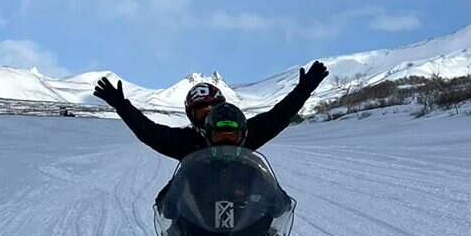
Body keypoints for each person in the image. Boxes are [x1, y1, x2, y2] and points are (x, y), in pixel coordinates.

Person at [93, 63, 328, 159]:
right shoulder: (185, 141)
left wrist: (303, 90)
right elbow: (149, 132)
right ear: (190, 115)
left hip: (244, 208)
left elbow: (277, 117)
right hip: (197, 212)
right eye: (200, 110)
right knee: (169, 235)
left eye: (212, 108)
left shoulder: (241, 134)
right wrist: (122, 105)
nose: (207, 115)